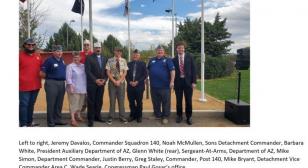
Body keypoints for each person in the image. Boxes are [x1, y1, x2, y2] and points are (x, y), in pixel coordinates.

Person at [147, 45, 175, 124]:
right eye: (158, 50)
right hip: (154, 86)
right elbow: (147, 70)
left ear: (164, 52)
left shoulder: (168, 60)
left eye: (161, 51)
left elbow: (172, 71)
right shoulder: (152, 60)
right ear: (156, 51)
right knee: (156, 102)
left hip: (165, 86)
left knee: (166, 102)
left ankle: (165, 116)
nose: (160, 52)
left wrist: (172, 81)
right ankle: (157, 115)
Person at [40, 45, 67, 127]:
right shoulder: (49, 60)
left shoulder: (62, 60)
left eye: (61, 51)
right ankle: (51, 121)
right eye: (57, 51)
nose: (59, 53)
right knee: (51, 103)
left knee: (59, 103)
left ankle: (57, 119)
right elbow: (42, 73)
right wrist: (50, 78)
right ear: (53, 52)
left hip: (62, 83)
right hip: (52, 83)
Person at [172, 41, 197, 125]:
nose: (180, 49)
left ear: (184, 48)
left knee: (188, 101)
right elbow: (172, 71)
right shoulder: (174, 59)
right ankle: (179, 116)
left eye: (182, 48)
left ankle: (189, 117)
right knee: (178, 101)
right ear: (176, 49)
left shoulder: (190, 57)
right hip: (178, 83)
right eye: (179, 48)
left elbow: (194, 70)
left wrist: (194, 82)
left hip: (188, 83)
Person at [19, 38, 42, 127]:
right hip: (23, 86)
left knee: (31, 104)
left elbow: (42, 69)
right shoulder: (19, 56)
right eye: (29, 45)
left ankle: (29, 122)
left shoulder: (38, 56)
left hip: (36, 86)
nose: (31, 46)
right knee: (24, 105)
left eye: (33, 45)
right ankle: (23, 124)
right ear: (25, 45)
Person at [84, 42, 108, 127]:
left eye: (99, 48)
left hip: (102, 84)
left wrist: (104, 80)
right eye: (96, 48)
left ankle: (98, 116)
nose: (98, 49)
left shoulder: (105, 58)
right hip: (92, 84)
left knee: (99, 101)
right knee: (91, 102)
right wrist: (95, 80)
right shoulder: (89, 58)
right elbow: (88, 71)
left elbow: (106, 71)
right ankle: (90, 119)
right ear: (94, 49)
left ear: (101, 48)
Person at [106, 47, 128, 125]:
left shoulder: (124, 60)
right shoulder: (110, 60)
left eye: (120, 51)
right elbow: (108, 72)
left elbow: (125, 72)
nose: (118, 52)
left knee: (121, 100)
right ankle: (111, 117)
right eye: (117, 51)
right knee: (112, 100)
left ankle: (122, 116)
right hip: (112, 82)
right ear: (114, 51)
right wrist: (114, 81)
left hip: (121, 82)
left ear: (121, 52)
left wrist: (119, 81)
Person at [66, 51, 87, 127]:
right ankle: (73, 119)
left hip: (82, 88)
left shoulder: (83, 66)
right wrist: (71, 86)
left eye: (77, 57)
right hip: (73, 89)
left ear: (80, 58)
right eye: (74, 57)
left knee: (80, 104)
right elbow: (68, 78)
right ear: (73, 58)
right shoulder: (70, 66)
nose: (76, 58)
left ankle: (78, 116)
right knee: (73, 104)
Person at [126, 49, 147, 123]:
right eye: (134, 54)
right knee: (131, 102)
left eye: (137, 55)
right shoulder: (128, 64)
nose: (135, 56)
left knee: (139, 102)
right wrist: (130, 82)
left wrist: (138, 82)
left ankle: (139, 116)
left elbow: (145, 75)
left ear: (139, 56)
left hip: (139, 86)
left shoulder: (143, 64)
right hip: (130, 86)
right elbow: (126, 75)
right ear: (132, 55)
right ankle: (132, 115)